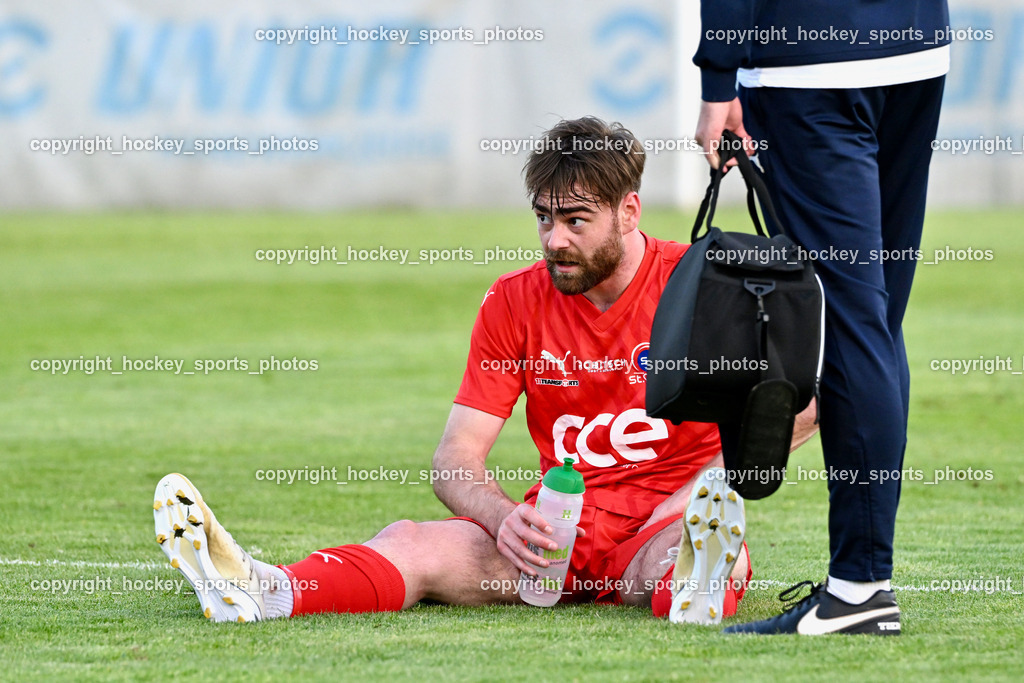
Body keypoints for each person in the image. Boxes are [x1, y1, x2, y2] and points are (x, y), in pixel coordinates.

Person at [153, 116, 817, 625]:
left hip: (668, 518)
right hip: (558, 537)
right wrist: (503, 518)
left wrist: (715, 483)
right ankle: (264, 589)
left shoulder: (705, 281)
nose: (555, 239)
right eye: (545, 218)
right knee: (412, 542)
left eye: (576, 220)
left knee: (680, 560)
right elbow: (454, 460)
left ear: (629, 211)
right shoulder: (514, 301)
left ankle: (695, 576)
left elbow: (812, 401)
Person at [693, 0, 949, 635]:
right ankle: (864, 583)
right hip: (916, 46)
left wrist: (718, 79)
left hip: (808, 64)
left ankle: (860, 590)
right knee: (878, 323)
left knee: (855, 324)